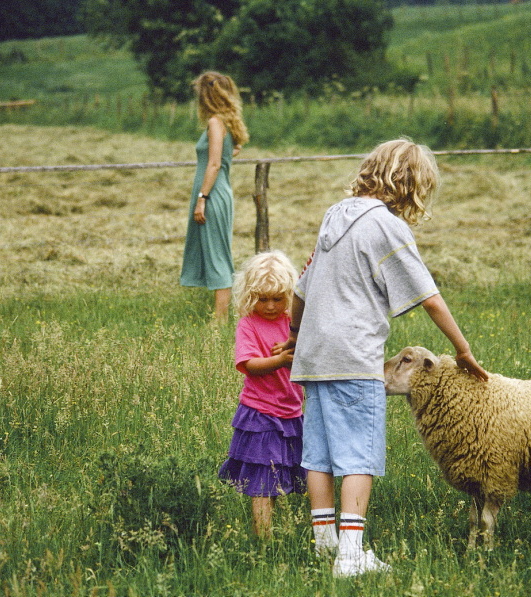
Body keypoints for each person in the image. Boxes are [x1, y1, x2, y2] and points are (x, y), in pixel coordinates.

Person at [276, 139, 489, 577]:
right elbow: (429, 297)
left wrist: (294, 334)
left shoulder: (334, 214)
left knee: (318, 454)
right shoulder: (386, 226)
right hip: (354, 355)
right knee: (360, 455)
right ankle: (350, 556)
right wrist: (462, 349)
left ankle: (324, 546)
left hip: (316, 354)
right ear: (411, 184)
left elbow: (302, 284)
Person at [218, 250, 307, 538]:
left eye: (277, 299)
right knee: (262, 480)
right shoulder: (249, 324)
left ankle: (279, 532)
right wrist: (280, 360)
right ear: (249, 295)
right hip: (261, 414)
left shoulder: (293, 324)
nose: (269, 306)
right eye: (262, 298)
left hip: (292, 413)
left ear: (290, 296)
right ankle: (264, 541)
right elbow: (249, 365)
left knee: (281, 473)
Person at [180, 71, 249, 322]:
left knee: (217, 253)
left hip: (213, 195)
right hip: (217, 192)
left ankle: (220, 321)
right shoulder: (225, 123)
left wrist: (202, 198)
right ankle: (220, 316)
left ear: (206, 96)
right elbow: (232, 151)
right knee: (216, 250)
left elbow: (214, 164)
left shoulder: (215, 122)